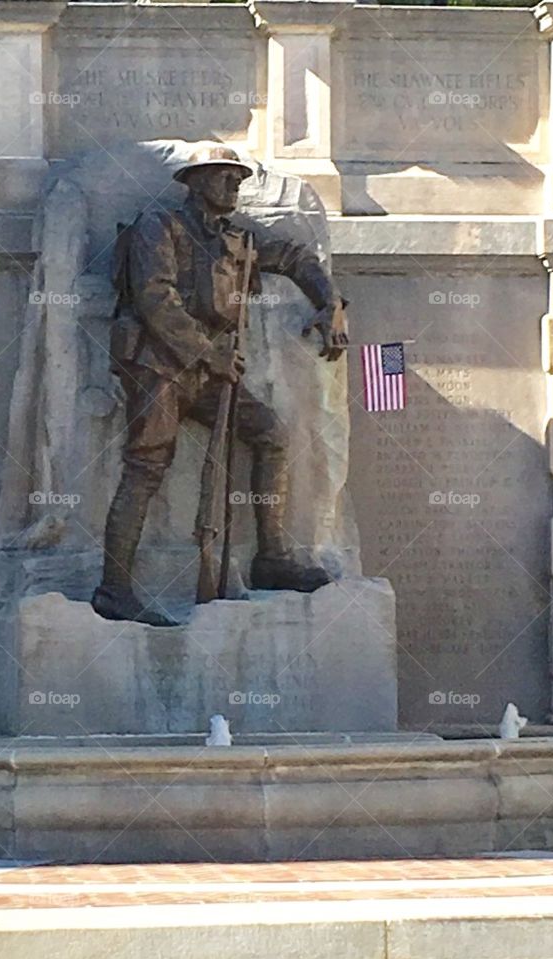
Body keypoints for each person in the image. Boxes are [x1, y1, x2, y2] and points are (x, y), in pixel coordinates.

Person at [92, 142, 349, 626]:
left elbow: (295, 257)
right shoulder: (159, 228)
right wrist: (212, 353)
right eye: (224, 176)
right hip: (158, 365)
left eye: (239, 177)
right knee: (146, 466)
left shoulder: (237, 241)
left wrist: (329, 302)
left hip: (209, 373)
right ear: (194, 182)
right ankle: (114, 588)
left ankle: (270, 557)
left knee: (271, 434)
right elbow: (155, 300)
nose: (235, 184)